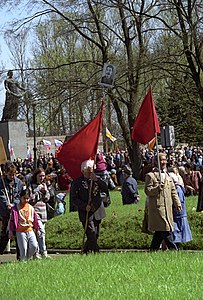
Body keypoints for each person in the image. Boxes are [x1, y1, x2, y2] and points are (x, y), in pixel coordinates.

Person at [145, 153, 182, 251]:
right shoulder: (151, 176)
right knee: (165, 230)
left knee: (160, 232)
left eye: (165, 160)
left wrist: (177, 203)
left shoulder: (168, 176)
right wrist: (157, 188)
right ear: (156, 161)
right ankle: (174, 250)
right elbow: (147, 191)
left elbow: (173, 191)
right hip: (158, 209)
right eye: (161, 160)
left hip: (168, 208)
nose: (164, 162)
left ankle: (153, 251)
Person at [70, 159, 108, 254]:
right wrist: (83, 206)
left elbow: (106, 189)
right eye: (88, 172)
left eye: (91, 171)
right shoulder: (77, 182)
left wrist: (97, 180)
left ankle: (85, 251)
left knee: (96, 234)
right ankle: (97, 253)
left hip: (98, 211)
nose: (90, 173)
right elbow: (74, 198)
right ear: (83, 171)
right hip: (86, 212)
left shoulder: (96, 179)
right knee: (91, 234)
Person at [9, 188, 40, 261]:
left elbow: (35, 219)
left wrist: (37, 229)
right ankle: (23, 261)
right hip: (20, 231)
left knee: (34, 246)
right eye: (24, 198)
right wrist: (11, 231)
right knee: (23, 248)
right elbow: (12, 221)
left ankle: (27, 258)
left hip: (30, 230)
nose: (26, 200)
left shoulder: (31, 208)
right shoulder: (15, 209)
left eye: (27, 198)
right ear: (20, 197)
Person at [0, 161, 24, 255]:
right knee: (5, 235)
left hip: (16, 212)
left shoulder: (19, 183)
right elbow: (2, 195)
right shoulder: (1, 182)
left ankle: (20, 255)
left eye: (14, 174)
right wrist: (7, 205)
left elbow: (20, 196)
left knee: (18, 234)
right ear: (5, 173)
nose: (12, 176)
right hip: (5, 213)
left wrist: (14, 204)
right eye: (10, 174)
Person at [28, 168, 50, 258]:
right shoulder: (31, 186)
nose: (41, 178)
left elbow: (47, 198)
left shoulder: (44, 185)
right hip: (35, 211)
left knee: (39, 232)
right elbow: (30, 199)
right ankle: (43, 252)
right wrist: (37, 193)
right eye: (40, 176)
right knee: (41, 231)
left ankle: (36, 253)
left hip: (43, 211)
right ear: (36, 176)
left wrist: (45, 193)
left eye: (43, 176)